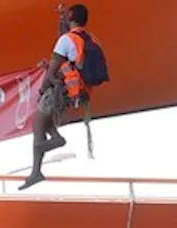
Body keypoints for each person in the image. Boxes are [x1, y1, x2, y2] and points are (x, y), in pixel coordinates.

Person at [19, 3, 108, 191]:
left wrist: (42, 89)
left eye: (67, 15)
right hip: (80, 93)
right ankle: (44, 157)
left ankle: (45, 157)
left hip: (62, 91)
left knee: (37, 125)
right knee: (43, 122)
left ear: (71, 18)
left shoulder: (67, 40)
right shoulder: (91, 39)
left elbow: (52, 72)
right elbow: (71, 55)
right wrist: (60, 17)